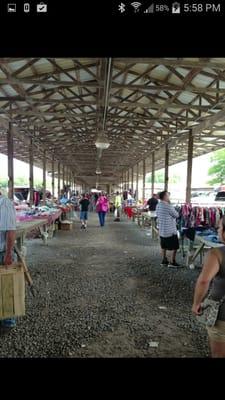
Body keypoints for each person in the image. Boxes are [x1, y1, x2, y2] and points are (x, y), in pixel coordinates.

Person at [192, 216, 225, 358]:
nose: (217, 230)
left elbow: (204, 281)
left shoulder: (217, 253)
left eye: (219, 227)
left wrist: (196, 303)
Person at [0, 188, 17, 328]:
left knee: (5, 286)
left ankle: (8, 320)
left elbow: (11, 231)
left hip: (1, 253)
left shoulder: (4, 203)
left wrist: (8, 254)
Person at [156, 190, 180, 268]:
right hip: (170, 231)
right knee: (175, 247)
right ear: (165, 197)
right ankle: (172, 262)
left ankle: (164, 261)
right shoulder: (168, 206)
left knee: (164, 246)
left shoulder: (158, 205)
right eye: (168, 195)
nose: (169, 196)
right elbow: (176, 215)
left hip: (162, 230)